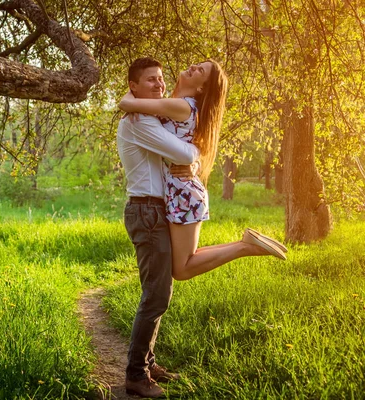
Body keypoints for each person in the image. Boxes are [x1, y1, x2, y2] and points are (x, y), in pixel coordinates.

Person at [117, 57, 287, 398]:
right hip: (148, 210)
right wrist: (194, 157)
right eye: (150, 80)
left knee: (163, 288)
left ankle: (146, 365)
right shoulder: (138, 121)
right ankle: (136, 375)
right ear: (133, 85)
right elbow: (185, 152)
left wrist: (190, 160)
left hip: (159, 208)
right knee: (158, 294)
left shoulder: (156, 112)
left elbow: (185, 148)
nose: (158, 85)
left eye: (160, 79)